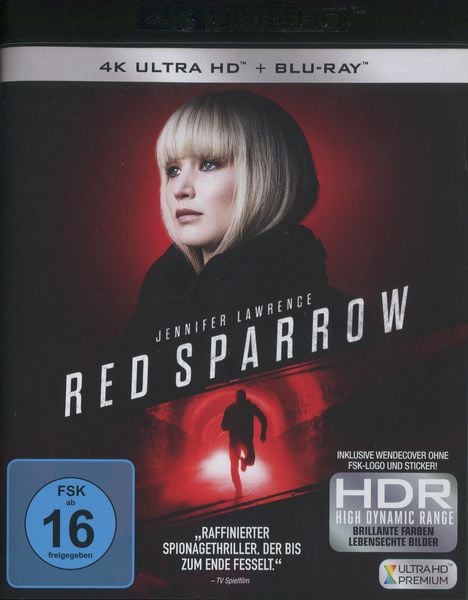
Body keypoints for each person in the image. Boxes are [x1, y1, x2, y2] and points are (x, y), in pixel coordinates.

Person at [122, 90, 355, 388]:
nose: (180, 189)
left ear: (267, 173)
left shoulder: (329, 322)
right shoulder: (157, 304)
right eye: (173, 170)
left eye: (209, 164)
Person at [221, 389, 267, 498]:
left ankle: (243, 464)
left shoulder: (231, 408)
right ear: (244, 396)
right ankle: (239, 490)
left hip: (237, 440)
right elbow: (263, 418)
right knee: (240, 464)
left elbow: (224, 426)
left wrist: (263, 433)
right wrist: (263, 432)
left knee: (236, 466)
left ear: (236, 397)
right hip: (244, 440)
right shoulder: (248, 407)